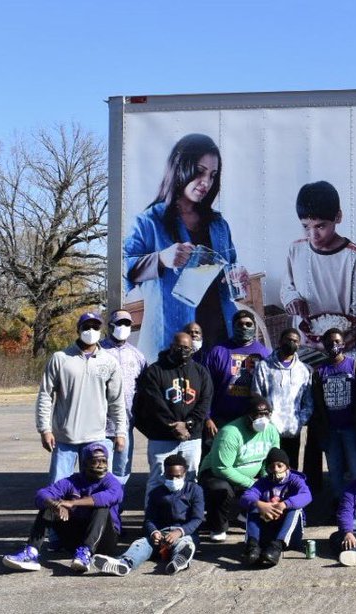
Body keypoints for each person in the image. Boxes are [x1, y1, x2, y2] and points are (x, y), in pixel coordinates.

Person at [123, 133, 245, 359]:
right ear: (179, 168)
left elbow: (230, 273)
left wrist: (236, 276)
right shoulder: (149, 222)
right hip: (172, 342)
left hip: (219, 340)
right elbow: (122, 271)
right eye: (199, 171)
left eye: (212, 175)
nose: (206, 182)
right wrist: (160, 259)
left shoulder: (219, 225)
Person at [3, 443, 123, 573]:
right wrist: (55, 505)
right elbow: (41, 494)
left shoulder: (111, 482)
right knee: (48, 506)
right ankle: (31, 552)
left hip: (104, 542)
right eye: (95, 461)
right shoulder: (72, 481)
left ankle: (86, 553)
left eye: (103, 461)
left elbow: (110, 497)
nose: (100, 465)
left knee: (101, 507)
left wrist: (72, 503)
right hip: (75, 538)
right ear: (84, 464)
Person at [281, 181, 356, 350]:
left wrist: (346, 339)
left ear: (338, 217)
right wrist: (292, 299)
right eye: (305, 227)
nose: (313, 235)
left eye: (320, 226)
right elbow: (287, 288)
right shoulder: (296, 249)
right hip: (303, 343)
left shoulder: (353, 256)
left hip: (341, 346)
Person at [36, 312, 126, 485]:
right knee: (58, 487)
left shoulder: (109, 362)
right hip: (64, 438)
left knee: (97, 487)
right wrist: (44, 429)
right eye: (86, 327)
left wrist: (120, 432)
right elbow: (45, 396)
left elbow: (117, 401)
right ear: (78, 330)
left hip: (97, 436)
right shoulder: (60, 358)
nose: (91, 330)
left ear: (101, 330)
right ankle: (59, 513)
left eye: (95, 327)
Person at [91, 454, 204, 576]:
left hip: (184, 534)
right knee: (141, 544)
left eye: (178, 476)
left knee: (186, 544)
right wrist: (154, 532)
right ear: (164, 474)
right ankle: (124, 563)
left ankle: (180, 560)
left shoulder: (194, 490)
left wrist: (179, 532)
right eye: (170, 477)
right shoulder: (156, 493)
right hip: (160, 535)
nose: (174, 480)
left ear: (185, 474)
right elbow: (149, 519)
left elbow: (197, 518)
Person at [134, 331, 213, 495]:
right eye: (179, 346)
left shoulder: (200, 372)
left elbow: (204, 401)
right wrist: (174, 426)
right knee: (158, 479)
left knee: (190, 478)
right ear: (171, 346)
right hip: (161, 437)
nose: (182, 350)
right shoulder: (155, 370)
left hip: (192, 437)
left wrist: (189, 424)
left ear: (192, 349)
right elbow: (154, 403)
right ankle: (153, 519)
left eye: (186, 347)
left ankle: (186, 517)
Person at [198, 396, 280, 542]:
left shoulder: (271, 431)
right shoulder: (230, 433)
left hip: (249, 476)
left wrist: (266, 480)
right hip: (217, 475)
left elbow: (272, 460)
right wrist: (252, 484)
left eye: (266, 414)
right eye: (257, 414)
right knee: (221, 489)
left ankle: (245, 515)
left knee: (275, 481)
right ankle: (217, 526)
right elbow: (221, 468)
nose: (262, 418)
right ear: (246, 415)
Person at [312, 327, 356, 501]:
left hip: (351, 428)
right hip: (331, 430)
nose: (333, 345)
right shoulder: (319, 371)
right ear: (324, 345)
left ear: (343, 344)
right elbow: (317, 401)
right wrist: (322, 428)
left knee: (355, 469)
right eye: (329, 342)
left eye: (337, 341)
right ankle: (339, 503)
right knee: (334, 470)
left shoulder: (355, 366)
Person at [253, 327, 313, 472]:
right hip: (270, 430)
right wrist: (266, 421)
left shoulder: (304, 370)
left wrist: (299, 421)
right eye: (288, 340)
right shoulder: (264, 366)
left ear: (299, 345)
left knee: (290, 469)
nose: (292, 343)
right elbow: (256, 395)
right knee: (270, 468)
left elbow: (308, 401)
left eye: (295, 341)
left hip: (293, 430)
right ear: (280, 342)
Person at [100, 308, 148, 486]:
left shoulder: (137, 355)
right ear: (111, 325)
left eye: (127, 323)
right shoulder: (99, 352)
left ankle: (115, 506)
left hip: (126, 425)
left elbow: (143, 387)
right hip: (100, 425)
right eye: (119, 323)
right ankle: (99, 508)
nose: (123, 326)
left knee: (122, 469)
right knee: (99, 469)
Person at [239, 448, 311, 567]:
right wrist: (260, 504)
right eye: (272, 467)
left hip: (290, 535)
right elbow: (246, 497)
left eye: (279, 466)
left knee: (295, 508)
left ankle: (277, 545)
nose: (276, 470)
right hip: (269, 529)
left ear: (287, 467)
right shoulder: (263, 482)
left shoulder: (295, 480)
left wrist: (285, 504)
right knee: (253, 506)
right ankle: (252, 545)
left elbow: (306, 495)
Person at [204, 310, 270, 437]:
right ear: (233, 326)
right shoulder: (217, 352)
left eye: (248, 324)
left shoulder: (264, 354)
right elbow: (206, 387)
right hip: (222, 419)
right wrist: (207, 417)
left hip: (253, 418)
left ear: (254, 327)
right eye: (240, 324)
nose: (244, 327)